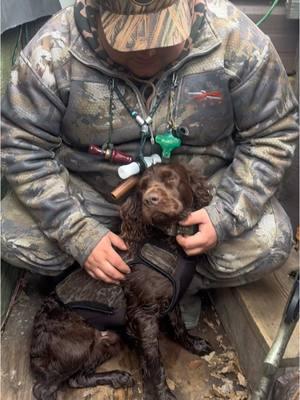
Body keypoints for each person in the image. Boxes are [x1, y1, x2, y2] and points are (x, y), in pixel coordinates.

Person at [1, 0, 298, 327]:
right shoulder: (53, 49)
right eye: (130, 39)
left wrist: (225, 213)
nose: (147, 51)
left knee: (270, 241)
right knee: (13, 235)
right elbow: (21, 143)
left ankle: (165, 286)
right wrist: (78, 233)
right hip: (94, 195)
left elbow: (272, 133)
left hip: (195, 198)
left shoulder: (237, 40)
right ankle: (108, 273)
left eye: (161, 34)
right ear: (96, 12)